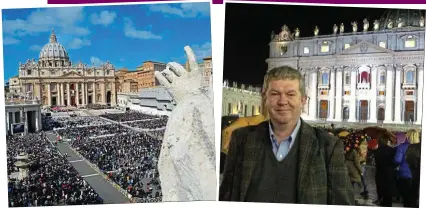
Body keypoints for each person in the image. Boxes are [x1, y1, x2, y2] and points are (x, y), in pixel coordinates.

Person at [219, 66, 354, 204]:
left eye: (290, 94)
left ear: (303, 100)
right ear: (265, 98)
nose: (282, 101)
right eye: (275, 94)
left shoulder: (328, 146)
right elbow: (226, 196)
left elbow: (342, 203)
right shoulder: (241, 139)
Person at [374, 135, 397, 207]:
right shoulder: (392, 150)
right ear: (387, 141)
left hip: (379, 173)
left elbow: (376, 162)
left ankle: (381, 201)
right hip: (389, 173)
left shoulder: (377, 151)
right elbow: (394, 161)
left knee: (380, 190)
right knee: (388, 194)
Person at [394, 133, 416, 207]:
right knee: (414, 197)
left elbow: (397, 160)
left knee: (406, 198)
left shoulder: (402, 147)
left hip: (404, 175)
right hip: (417, 175)